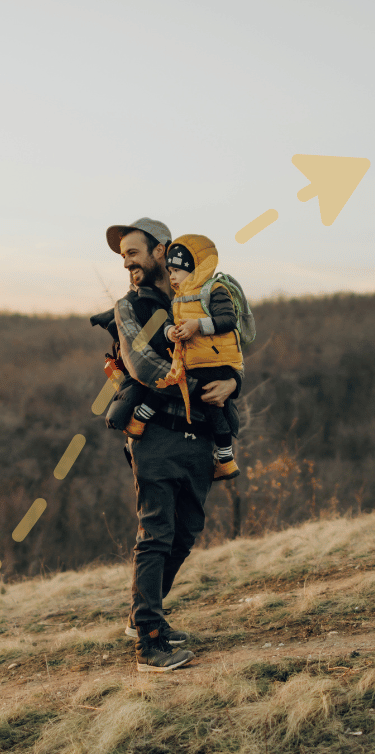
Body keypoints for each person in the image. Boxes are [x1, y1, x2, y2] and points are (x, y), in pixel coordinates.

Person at [105, 218, 239, 673]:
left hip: (201, 431)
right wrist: (191, 379)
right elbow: (141, 363)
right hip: (157, 433)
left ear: (162, 251)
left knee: (186, 532)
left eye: (133, 251)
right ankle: (150, 641)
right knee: (156, 533)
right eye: (122, 255)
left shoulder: (198, 294)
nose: (127, 261)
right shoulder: (129, 307)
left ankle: (146, 612)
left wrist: (232, 380)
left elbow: (231, 343)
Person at [125, 235, 242, 481]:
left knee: (169, 382)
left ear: (194, 269)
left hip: (213, 363)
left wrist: (197, 326)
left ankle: (139, 419)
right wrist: (170, 332)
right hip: (195, 362)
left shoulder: (214, 290)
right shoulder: (179, 298)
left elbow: (229, 320)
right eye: (170, 271)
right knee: (214, 410)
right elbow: (169, 321)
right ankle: (226, 460)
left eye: (177, 270)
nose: (173, 276)